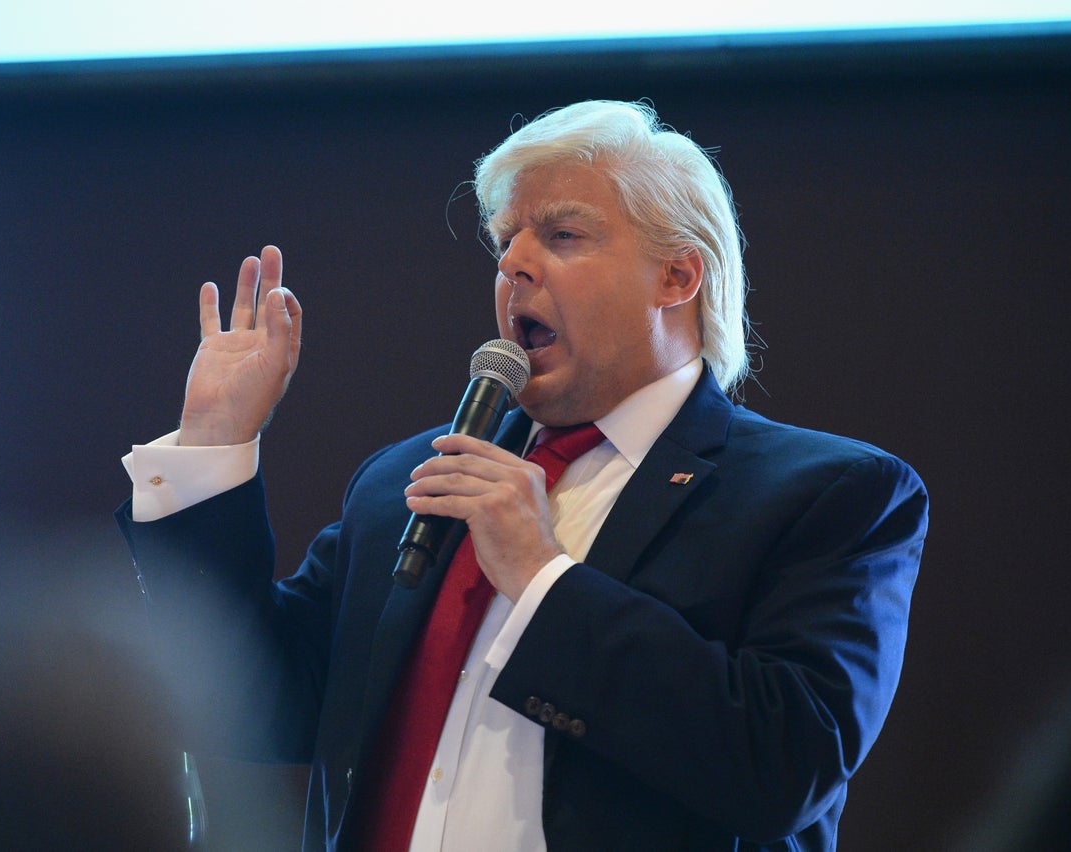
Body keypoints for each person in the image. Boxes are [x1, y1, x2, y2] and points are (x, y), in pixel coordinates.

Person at [117, 100, 928, 851]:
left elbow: (787, 767)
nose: (515, 266)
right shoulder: (408, 478)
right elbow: (251, 703)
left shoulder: (828, 497)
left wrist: (542, 580)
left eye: (563, 235)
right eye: (505, 241)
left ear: (678, 277)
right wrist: (211, 447)